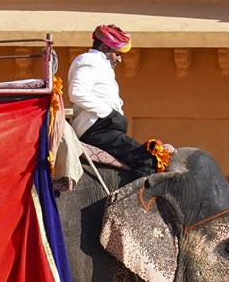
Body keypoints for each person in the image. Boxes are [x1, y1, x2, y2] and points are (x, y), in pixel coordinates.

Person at [67, 24, 165, 178]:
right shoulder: (88, 60)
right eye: (117, 54)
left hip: (104, 127)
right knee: (145, 160)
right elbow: (76, 92)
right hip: (97, 129)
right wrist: (108, 113)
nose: (119, 60)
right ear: (105, 48)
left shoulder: (100, 65)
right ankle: (133, 201)